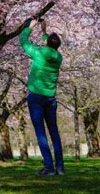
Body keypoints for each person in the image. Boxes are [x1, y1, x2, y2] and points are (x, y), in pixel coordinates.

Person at [19, 17, 64, 176]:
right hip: (50, 99)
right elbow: (51, 47)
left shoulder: (39, 53)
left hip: (36, 98)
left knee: (41, 132)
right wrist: (44, 32)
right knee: (54, 132)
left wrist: (29, 28)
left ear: (47, 44)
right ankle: (60, 168)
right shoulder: (58, 58)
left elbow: (23, 41)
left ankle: (49, 168)